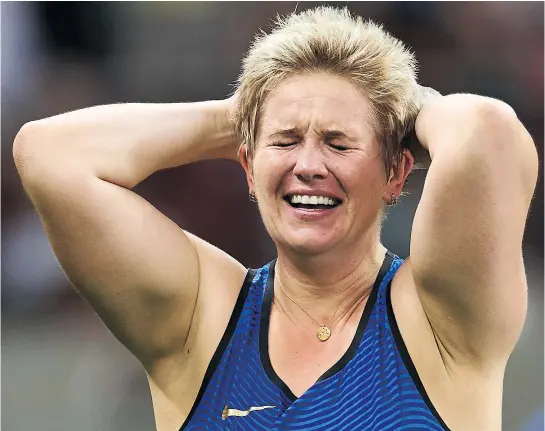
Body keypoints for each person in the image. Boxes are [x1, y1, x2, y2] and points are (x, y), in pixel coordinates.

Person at [13, 6, 538, 431]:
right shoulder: (201, 317)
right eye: (285, 143)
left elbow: (486, 129)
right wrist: (245, 115)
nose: (308, 166)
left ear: (397, 175)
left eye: (338, 144)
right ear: (247, 165)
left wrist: (393, 114)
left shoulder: (439, 317)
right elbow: (49, 154)